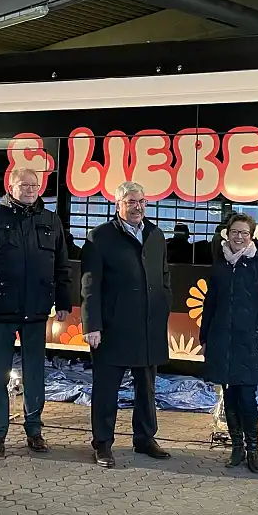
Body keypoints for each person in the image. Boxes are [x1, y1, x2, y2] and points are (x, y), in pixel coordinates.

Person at [0, 167, 72, 457]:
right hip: (1, 310)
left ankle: (34, 431)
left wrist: (64, 302)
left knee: (35, 374)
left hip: (37, 311)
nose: (29, 189)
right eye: (23, 185)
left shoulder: (51, 221)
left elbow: (62, 267)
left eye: (34, 185)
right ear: (10, 187)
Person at [80, 181, 172, 468]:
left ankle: (145, 439)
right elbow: (89, 286)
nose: (138, 207)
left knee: (147, 388)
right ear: (118, 204)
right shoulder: (99, 237)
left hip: (148, 326)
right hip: (112, 328)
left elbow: (165, 277)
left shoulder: (156, 235)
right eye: (131, 202)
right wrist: (92, 325)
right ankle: (103, 444)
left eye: (142, 201)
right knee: (106, 389)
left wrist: (164, 305)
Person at [200, 213, 258, 473]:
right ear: (227, 233)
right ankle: (237, 448)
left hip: (250, 342)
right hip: (223, 341)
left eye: (244, 233)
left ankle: (253, 450)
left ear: (251, 236)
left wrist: (257, 327)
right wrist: (205, 337)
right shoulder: (220, 265)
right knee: (231, 396)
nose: (238, 237)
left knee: (247, 397)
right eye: (234, 232)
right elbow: (210, 304)